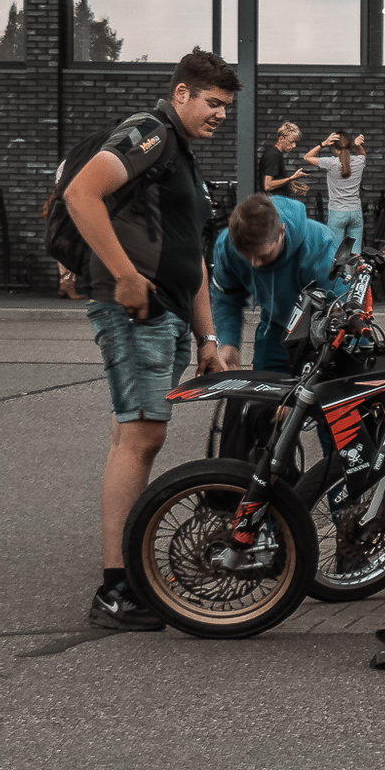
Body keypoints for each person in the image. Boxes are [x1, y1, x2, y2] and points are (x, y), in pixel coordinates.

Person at [58, 49, 240, 632]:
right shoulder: (150, 132)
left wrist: (207, 336)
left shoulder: (181, 155)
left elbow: (195, 257)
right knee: (140, 435)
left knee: (134, 434)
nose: (220, 114)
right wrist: (126, 275)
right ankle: (117, 590)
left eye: (226, 106)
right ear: (182, 92)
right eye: (213, 102)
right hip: (137, 308)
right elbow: (81, 194)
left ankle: (128, 574)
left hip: (169, 312)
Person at [207, 192, 344, 369]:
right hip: (276, 326)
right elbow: (226, 299)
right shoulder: (227, 246)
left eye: (263, 256)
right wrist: (228, 342)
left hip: (320, 331)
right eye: (247, 257)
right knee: (261, 384)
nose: (255, 264)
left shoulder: (320, 247)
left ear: (281, 232)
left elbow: (341, 313)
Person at [310, 131, 369, 255]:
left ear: (334, 148)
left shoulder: (331, 163)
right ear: (350, 146)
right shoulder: (359, 161)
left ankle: (339, 270)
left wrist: (323, 143)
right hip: (355, 212)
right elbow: (363, 155)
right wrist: (358, 145)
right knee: (355, 255)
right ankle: (355, 268)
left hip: (337, 212)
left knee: (335, 254)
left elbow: (307, 157)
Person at [257, 121, 315, 201]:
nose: (294, 145)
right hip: (275, 203)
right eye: (291, 142)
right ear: (281, 139)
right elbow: (268, 185)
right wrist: (291, 178)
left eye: (295, 142)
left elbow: (275, 184)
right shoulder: (273, 155)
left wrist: (291, 187)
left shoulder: (276, 154)